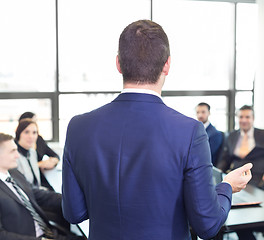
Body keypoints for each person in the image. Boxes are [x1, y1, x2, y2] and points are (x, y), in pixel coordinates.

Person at [62, 20, 253, 240]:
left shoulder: (78, 127)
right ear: (167, 65)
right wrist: (226, 187)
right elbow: (207, 225)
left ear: (118, 64)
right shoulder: (189, 131)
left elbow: (74, 213)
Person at [0, 133, 83, 240]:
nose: (17, 155)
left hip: (48, 233)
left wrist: (74, 200)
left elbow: (39, 195)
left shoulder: (14, 173)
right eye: (12, 151)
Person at [217, 105, 264, 193]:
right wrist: (217, 173)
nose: (244, 120)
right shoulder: (232, 136)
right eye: (241, 117)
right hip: (236, 181)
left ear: (253, 119)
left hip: (259, 182)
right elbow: (226, 159)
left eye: (247, 117)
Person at [15, 118, 43, 188]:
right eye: (26, 132)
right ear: (19, 134)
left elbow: (36, 184)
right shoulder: (14, 156)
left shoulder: (32, 152)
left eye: (34, 133)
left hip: (37, 193)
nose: (31, 137)